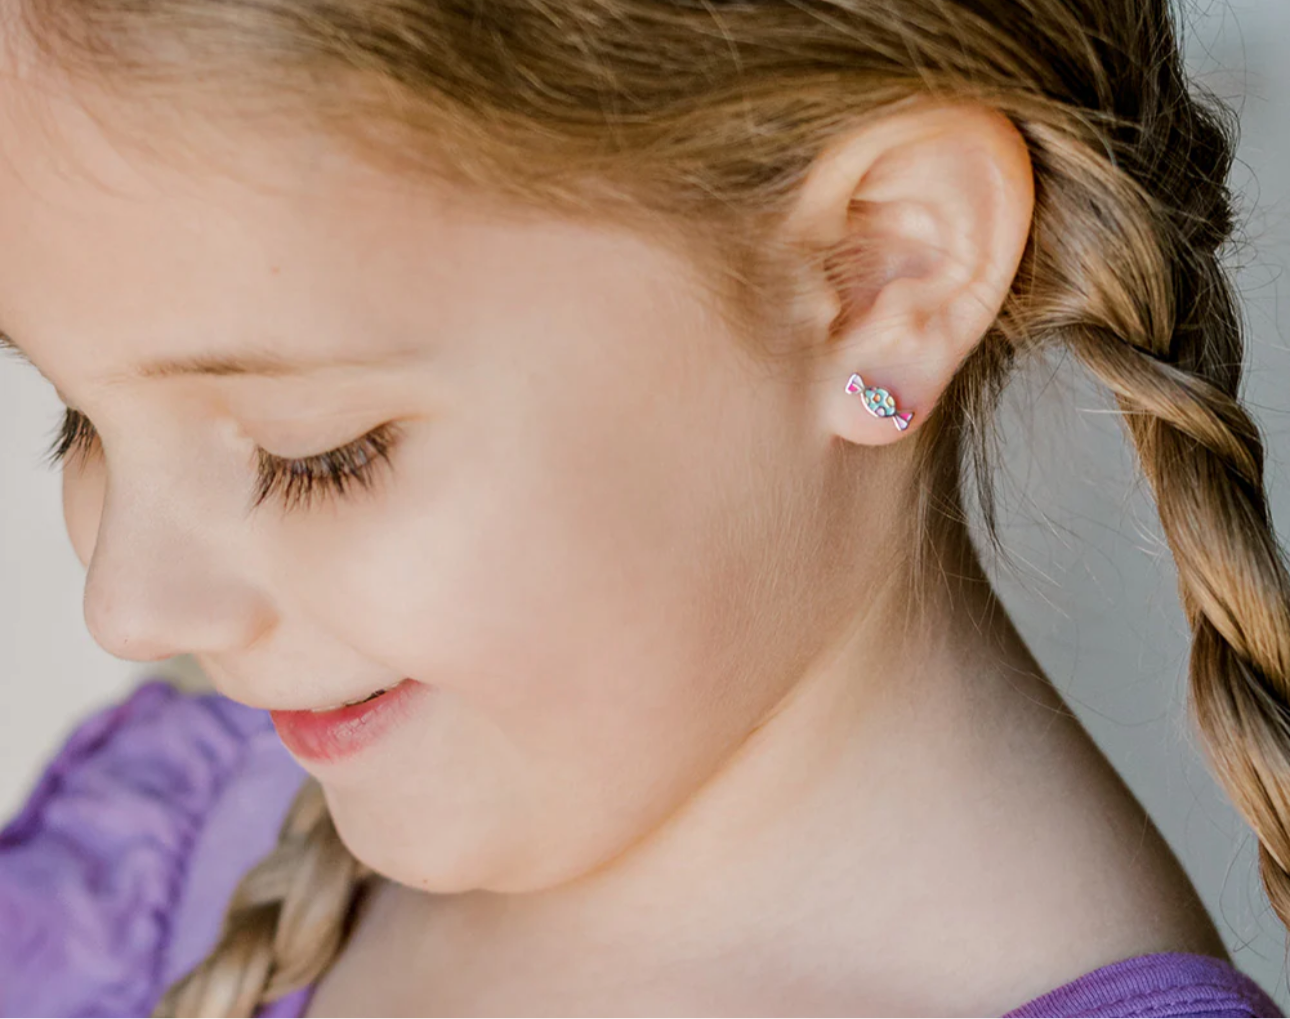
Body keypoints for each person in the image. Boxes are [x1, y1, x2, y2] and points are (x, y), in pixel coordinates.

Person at [0, 0, 1287, 1017]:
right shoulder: (184, 833)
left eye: (317, 453)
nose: (126, 604)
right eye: (78, 416)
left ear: (878, 277)